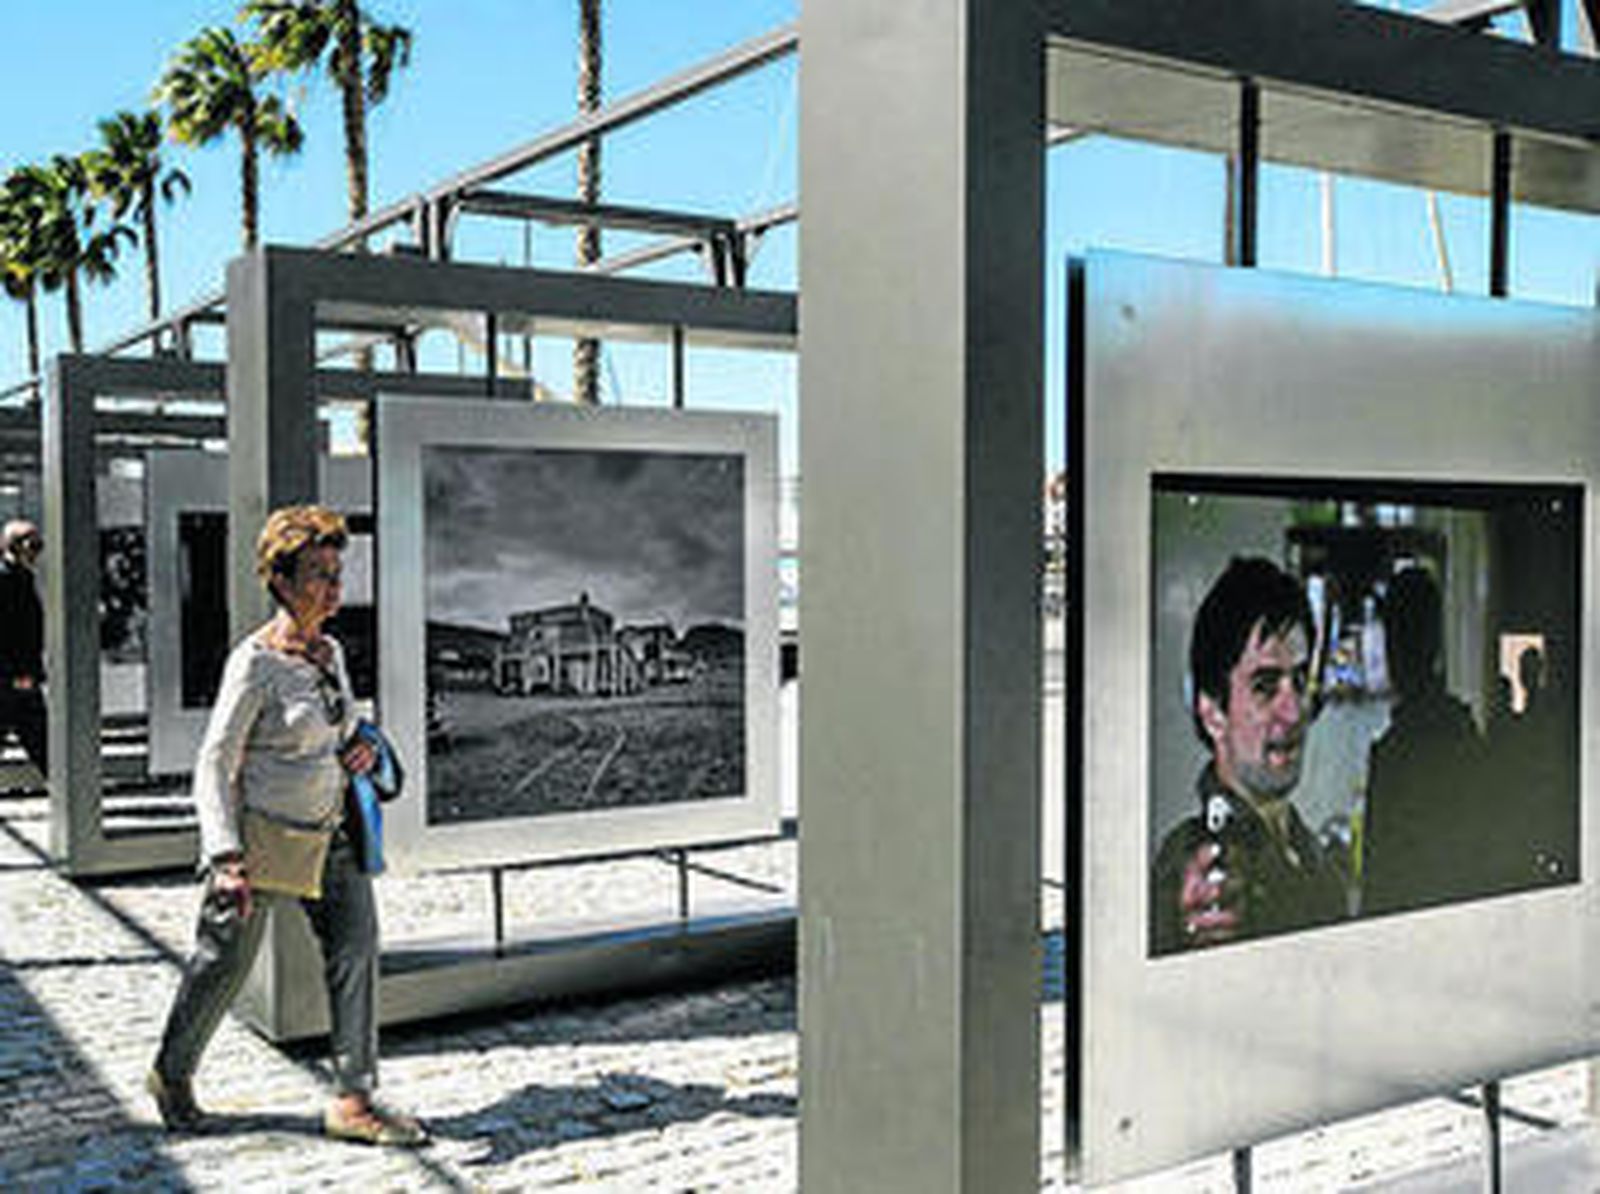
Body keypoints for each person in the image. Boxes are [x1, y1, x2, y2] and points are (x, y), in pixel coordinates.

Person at [147, 505, 425, 1146]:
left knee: (356, 954)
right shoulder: (254, 663)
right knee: (220, 964)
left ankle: (354, 1099)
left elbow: (343, 727)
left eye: (338, 572)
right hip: (262, 842)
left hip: (334, 834)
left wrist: (361, 746)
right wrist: (224, 856)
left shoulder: (330, 653)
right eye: (319, 575)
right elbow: (214, 762)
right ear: (281, 580)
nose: (335, 588)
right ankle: (171, 1072)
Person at [1151, 556, 1348, 954]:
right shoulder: (1195, 865)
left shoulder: (1306, 849)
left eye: (1300, 680)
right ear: (1213, 712)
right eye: (1264, 686)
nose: (1294, 712)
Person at [1360, 567, 1494, 916]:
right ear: (1436, 642)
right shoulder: (1466, 733)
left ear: (1393, 646)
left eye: (1393, 638)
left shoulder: (1392, 755)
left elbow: (1379, 894)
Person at [0, 519, 48, 781]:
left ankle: (66, 795)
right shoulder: (8, 580)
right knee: (42, 743)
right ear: (14, 547)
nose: (37, 553)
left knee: (44, 745)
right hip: (14, 681)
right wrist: (19, 674)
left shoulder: (21, 578)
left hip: (17, 679)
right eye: (33, 545)